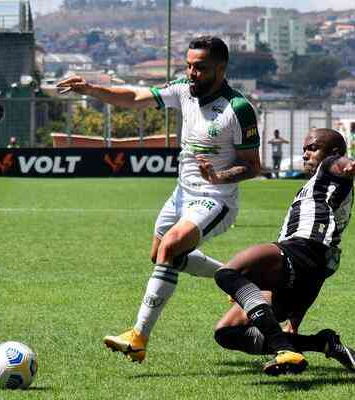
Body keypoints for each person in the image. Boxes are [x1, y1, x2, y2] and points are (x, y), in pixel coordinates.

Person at [57, 36, 261, 362]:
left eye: (201, 68)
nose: (192, 73)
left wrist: (218, 177)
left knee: (170, 248)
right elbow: (136, 97)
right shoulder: (182, 89)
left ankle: (138, 338)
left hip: (216, 198)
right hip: (182, 194)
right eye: (189, 65)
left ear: (221, 69)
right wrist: (92, 89)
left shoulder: (238, 109)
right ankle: (241, 280)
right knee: (161, 256)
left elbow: (253, 166)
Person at [213, 128, 355, 376]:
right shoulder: (315, 185)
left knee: (226, 274)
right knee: (227, 333)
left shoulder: (331, 168)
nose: (306, 154)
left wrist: (348, 166)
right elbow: (316, 273)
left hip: (303, 249)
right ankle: (323, 343)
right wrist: (293, 321)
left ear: (333, 152)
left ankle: (283, 347)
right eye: (305, 148)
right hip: (307, 268)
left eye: (313, 148)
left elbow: (339, 164)